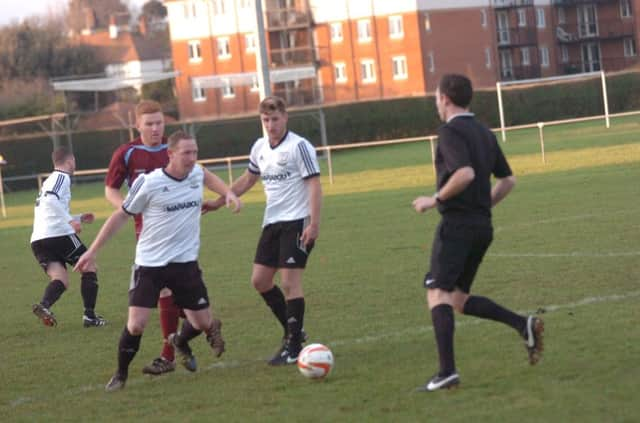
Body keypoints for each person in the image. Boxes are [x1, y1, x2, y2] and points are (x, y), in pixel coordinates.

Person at [75, 130, 242, 392]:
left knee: (200, 323)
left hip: (185, 264)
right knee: (136, 324)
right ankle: (120, 374)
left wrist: (228, 194)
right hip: (150, 265)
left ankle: (182, 340)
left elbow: (207, 176)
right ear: (171, 154)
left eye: (195, 152)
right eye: (186, 153)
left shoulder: (195, 173)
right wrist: (92, 251)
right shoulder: (149, 183)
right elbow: (120, 215)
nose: (192, 158)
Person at [412, 74, 544, 392]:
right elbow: (508, 180)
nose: (436, 103)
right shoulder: (484, 131)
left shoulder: (450, 131)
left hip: (457, 225)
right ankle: (521, 324)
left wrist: (436, 199)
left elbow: (466, 173)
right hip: (481, 227)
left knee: (437, 293)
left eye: (436, 98)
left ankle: (447, 373)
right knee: (457, 298)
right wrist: (483, 208)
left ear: (445, 98)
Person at [211, 96, 322, 366]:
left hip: (297, 221)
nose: (270, 125)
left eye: (275, 119)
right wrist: (218, 201)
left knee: (289, 283)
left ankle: (294, 346)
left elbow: (314, 185)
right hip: (272, 223)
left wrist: (314, 223)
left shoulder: (299, 146)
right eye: (265, 120)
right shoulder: (259, 147)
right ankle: (295, 330)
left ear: (285, 117)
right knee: (260, 281)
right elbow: (249, 178)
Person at [105, 100, 182, 376]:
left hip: (178, 232)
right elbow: (111, 190)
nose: (155, 128)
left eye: (159, 122)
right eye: (149, 123)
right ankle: (188, 334)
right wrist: (126, 208)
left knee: (167, 291)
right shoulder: (127, 153)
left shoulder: (174, 150)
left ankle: (170, 352)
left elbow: (195, 177)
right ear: (137, 125)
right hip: (146, 235)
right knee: (168, 293)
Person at [30, 146, 106, 328]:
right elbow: (50, 200)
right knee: (89, 267)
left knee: (61, 279)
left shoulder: (49, 180)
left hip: (39, 239)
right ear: (70, 161)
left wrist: (78, 217)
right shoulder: (61, 177)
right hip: (58, 234)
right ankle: (89, 316)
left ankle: (44, 306)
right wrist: (70, 222)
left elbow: (51, 207)